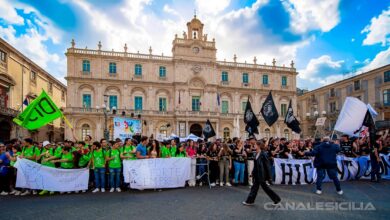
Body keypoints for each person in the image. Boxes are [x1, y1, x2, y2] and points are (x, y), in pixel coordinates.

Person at [243, 141, 281, 206]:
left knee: (265, 188)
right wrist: (252, 172)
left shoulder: (264, 154)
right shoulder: (256, 153)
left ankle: (277, 199)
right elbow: (256, 165)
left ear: (259, 146)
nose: (254, 145)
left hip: (262, 174)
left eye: (255, 144)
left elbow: (267, 165)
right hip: (257, 174)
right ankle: (250, 201)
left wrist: (269, 177)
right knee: (254, 188)